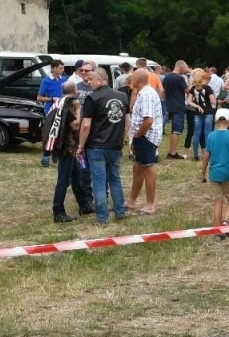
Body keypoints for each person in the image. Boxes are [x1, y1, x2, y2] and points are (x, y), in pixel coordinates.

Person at [76, 67, 129, 225]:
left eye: (91, 79)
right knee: (115, 179)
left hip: (96, 146)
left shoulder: (92, 98)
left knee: (99, 181)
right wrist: (121, 138)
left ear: (100, 79)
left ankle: (102, 217)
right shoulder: (122, 96)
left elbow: (86, 125)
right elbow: (128, 122)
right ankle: (120, 213)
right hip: (115, 144)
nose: (88, 82)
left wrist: (80, 145)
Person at [48, 76, 94, 223]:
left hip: (70, 148)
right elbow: (75, 125)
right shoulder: (68, 105)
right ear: (75, 91)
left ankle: (84, 205)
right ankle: (58, 211)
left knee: (77, 177)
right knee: (63, 180)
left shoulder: (60, 102)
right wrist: (79, 109)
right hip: (67, 148)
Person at [201, 108, 229, 234]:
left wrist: (203, 174)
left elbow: (206, 157)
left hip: (214, 173)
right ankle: (226, 221)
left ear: (215, 120)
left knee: (217, 201)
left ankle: (217, 230)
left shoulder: (211, 136)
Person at [128, 68, 164, 214]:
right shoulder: (143, 93)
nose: (131, 80)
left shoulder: (147, 95)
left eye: (132, 78)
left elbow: (148, 121)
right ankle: (131, 201)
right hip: (141, 136)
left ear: (136, 80)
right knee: (137, 168)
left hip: (146, 137)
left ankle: (150, 205)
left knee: (148, 169)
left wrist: (137, 136)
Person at [37, 61, 66, 168]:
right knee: (50, 134)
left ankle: (56, 155)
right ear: (53, 68)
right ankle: (45, 157)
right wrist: (52, 99)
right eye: (60, 68)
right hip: (50, 111)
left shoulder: (64, 79)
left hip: (62, 110)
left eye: (63, 68)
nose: (62, 70)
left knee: (61, 134)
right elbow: (39, 97)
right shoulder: (46, 81)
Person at [161, 61, 188, 160]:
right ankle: (172, 152)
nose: (185, 70)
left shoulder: (166, 77)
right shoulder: (180, 78)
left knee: (173, 130)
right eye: (185, 67)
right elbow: (188, 90)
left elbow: (163, 91)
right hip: (179, 106)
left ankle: (172, 151)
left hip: (170, 105)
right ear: (180, 66)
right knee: (177, 130)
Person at [187, 68, 215, 161]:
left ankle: (195, 155)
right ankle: (207, 154)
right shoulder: (208, 88)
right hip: (208, 112)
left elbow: (189, 101)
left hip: (197, 113)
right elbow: (213, 101)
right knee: (207, 134)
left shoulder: (193, 88)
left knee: (196, 133)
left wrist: (197, 106)